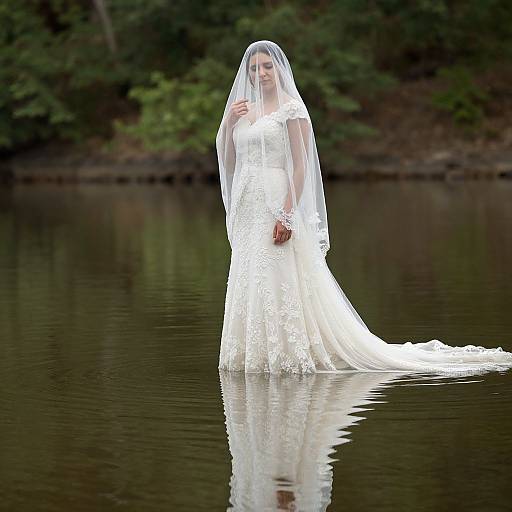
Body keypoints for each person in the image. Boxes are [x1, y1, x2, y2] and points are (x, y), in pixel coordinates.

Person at [215, 40, 512, 375]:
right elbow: (229, 160)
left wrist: (287, 213)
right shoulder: (242, 112)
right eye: (255, 69)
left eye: (267, 66)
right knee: (250, 273)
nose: (261, 73)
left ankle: (290, 350)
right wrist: (227, 123)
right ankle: (254, 352)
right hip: (247, 204)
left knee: (280, 270)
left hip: (275, 198)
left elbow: (300, 167)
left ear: (279, 69)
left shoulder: (291, 109)